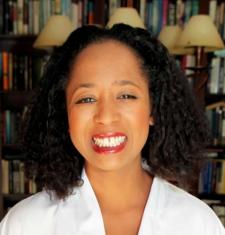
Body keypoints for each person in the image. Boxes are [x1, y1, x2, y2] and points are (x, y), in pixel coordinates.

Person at [0, 23, 224, 235]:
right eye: (86, 99)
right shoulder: (25, 224)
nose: (106, 116)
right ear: (65, 115)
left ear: (154, 109)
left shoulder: (198, 223)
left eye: (126, 95)